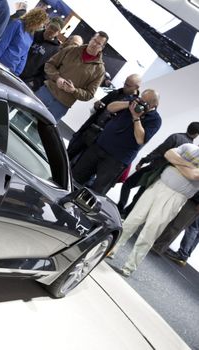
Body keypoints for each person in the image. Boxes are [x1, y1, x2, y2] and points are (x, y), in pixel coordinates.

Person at [108, 144, 199, 277]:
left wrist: (176, 162)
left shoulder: (186, 150)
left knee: (150, 232)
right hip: (158, 185)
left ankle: (129, 267)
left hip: (175, 197)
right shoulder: (188, 147)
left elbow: (193, 175)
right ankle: (111, 249)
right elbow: (168, 154)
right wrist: (187, 166)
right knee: (132, 220)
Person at [72, 89, 161, 194]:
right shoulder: (132, 101)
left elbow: (140, 139)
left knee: (97, 190)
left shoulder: (155, 120)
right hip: (99, 146)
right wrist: (129, 104)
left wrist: (136, 118)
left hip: (116, 159)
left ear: (153, 105)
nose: (141, 103)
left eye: (146, 103)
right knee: (76, 176)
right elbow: (110, 108)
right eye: (141, 99)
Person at [117, 122, 199, 217]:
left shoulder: (176, 137)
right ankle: (127, 213)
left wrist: (144, 160)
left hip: (153, 168)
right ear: (197, 134)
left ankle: (120, 208)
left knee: (128, 184)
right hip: (164, 175)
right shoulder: (191, 147)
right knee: (141, 193)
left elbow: (159, 151)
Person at [67, 74, 141, 164]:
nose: (124, 86)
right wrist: (97, 105)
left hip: (103, 139)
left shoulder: (136, 105)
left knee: (81, 164)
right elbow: (99, 105)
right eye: (124, 83)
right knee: (68, 153)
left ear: (136, 87)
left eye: (128, 85)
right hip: (91, 128)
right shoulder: (116, 92)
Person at [36, 31, 107, 121]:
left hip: (61, 105)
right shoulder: (71, 50)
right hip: (46, 92)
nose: (94, 44)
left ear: (102, 48)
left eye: (98, 43)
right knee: (22, 114)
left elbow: (89, 94)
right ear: (91, 39)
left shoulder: (100, 70)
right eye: (94, 40)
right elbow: (49, 64)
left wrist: (74, 90)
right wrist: (57, 78)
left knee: (42, 132)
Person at [0, 8, 48, 75]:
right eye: (42, 23)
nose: (42, 26)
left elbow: (24, 55)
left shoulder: (31, 34)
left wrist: (17, 72)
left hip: (11, 69)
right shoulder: (17, 24)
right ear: (36, 20)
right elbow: (3, 43)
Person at [19, 17, 63, 91]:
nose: (52, 30)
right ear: (47, 25)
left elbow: (49, 69)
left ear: (58, 33)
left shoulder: (56, 50)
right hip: (13, 69)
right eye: (51, 27)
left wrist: (35, 82)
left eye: (56, 30)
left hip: (28, 82)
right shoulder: (33, 34)